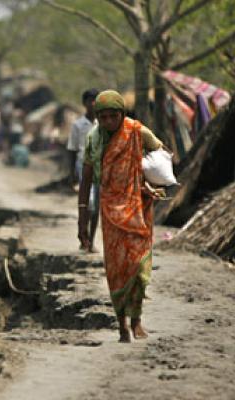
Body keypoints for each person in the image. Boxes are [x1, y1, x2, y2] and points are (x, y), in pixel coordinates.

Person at [78, 90, 164, 343]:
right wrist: (82, 218)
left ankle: (137, 319)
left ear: (122, 114)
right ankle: (122, 325)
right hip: (110, 210)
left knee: (138, 266)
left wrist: (150, 181)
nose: (108, 122)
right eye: (102, 117)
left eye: (112, 116)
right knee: (116, 269)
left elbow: (161, 154)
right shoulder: (95, 139)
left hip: (138, 206)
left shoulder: (137, 132)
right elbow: (85, 179)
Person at [68, 89, 99, 251]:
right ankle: (83, 235)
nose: (93, 104)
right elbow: (72, 149)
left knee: (97, 206)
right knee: (88, 203)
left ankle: (91, 240)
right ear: (84, 103)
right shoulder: (78, 125)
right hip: (83, 166)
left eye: (95, 100)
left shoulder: (103, 124)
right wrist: (72, 173)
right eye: (90, 100)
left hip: (100, 168)